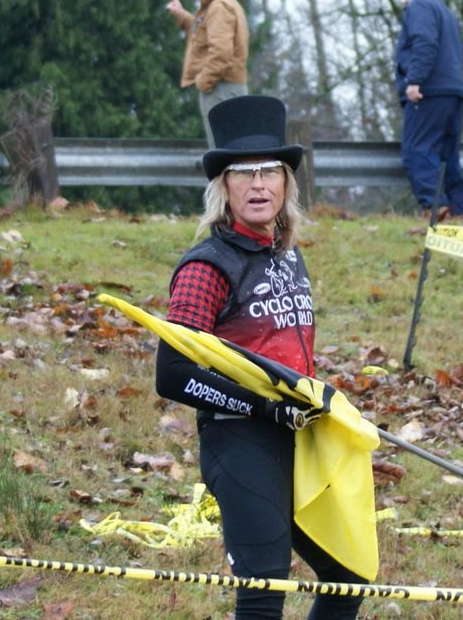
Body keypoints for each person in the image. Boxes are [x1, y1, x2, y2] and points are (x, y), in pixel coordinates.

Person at [156, 95, 366, 619]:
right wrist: (264, 408)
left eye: (270, 171)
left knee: (348, 574)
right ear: (223, 186)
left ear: (286, 183)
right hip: (240, 438)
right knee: (264, 588)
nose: (258, 184)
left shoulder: (288, 254)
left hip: (300, 439)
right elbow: (173, 374)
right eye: (243, 173)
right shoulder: (206, 266)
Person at [392, 0, 463, 220]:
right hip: (453, 91)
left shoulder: (420, 7)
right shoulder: (444, 10)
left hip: (429, 91)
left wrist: (414, 81)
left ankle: (436, 208)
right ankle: (460, 209)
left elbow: (425, 43)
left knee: (418, 149)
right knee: (447, 154)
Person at [165, 0, 249, 147]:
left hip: (221, 89)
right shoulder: (223, 5)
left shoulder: (219, 8)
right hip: (224, 87)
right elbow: (203, 35)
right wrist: (181, 14)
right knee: (228, 150)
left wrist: (204, 82)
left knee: (224, 151)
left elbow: (221, 53)